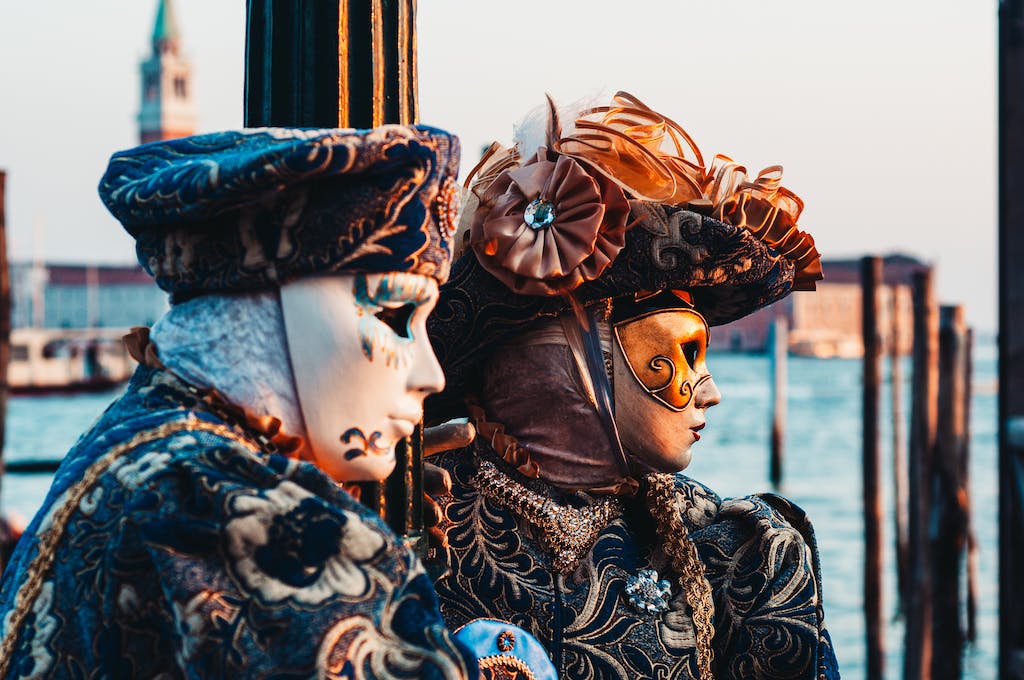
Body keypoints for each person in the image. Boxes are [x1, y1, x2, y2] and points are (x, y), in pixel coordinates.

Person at [0, 125, 553, 679]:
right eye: (393, 317)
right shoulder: (241, 513)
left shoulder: (126, 441)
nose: (430, 375)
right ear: (272, 317)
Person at [425, 92, 841, 679]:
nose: (710, 391)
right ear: (567, 349)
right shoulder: (416, 515)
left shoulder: (737, 558)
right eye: (682, 352)